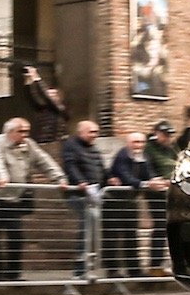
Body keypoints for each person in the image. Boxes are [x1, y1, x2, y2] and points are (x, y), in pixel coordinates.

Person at [0, 116, 64, 282]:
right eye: (21, 131)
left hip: (14, 198)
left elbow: (44, 161)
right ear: (10, 132)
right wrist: (2, 177)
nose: (25, 134)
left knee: (16, 235)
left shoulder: (29, 145)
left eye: (26, 131)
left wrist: (59, 178)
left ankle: (13, 274)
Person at [102, 131, 157, 278]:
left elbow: (148, 173)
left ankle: (134, 269)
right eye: (136, 142)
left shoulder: (144, 157)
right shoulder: (122, 156)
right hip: (114, 201)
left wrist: (153, 180)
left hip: (130, 201)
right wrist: (144, 184)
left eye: (141, 142)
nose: (139, 145)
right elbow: (124, 175)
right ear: (128, 143)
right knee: (112, 236)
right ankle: (112, 270)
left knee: (131, 236)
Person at [61, 119, 104, 279]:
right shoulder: (71, 145)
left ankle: (88, 267)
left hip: (94, 193)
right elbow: (70, 165)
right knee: (87, 228)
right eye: (92, 132)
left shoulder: (93, 148)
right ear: (81, 132)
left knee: (92, 229)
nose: (95, 135)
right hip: (79, 194)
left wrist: (110, 179)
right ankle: (81, 269)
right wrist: (80, 182)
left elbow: (100, 168)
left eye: (96, 132)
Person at [143, 120, 179, 272]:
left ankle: (169, 263)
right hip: (156, 193)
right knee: (159, 226)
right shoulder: (149, 149)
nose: (167, 138)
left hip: (171, 192)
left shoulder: (170, 149)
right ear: (157, 133)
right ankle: (155, 264)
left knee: (170, 228)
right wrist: (157, 180)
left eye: (169, 135)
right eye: (165, 134)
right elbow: (147, 167)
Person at [20, 67, 65, 145]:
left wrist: (37, 77)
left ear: (59, 97)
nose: (50, 95)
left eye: (53, 94)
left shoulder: (60, 109)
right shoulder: (43, 109)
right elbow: (30, 98)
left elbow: (45, 96)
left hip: (54, 143)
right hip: (41, 141)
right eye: (49, 93)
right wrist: (28, 82)